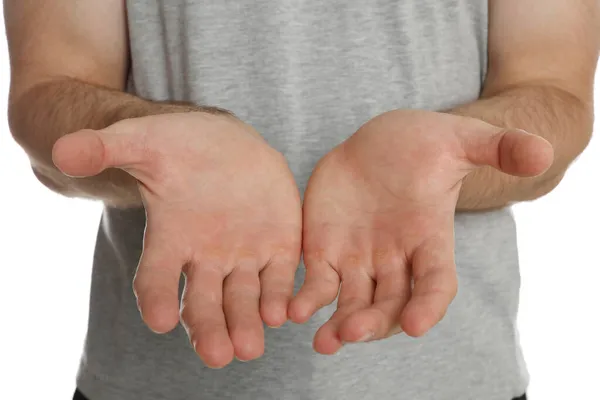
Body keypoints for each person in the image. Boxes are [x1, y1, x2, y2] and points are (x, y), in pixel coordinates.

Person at [4, 0, 598, 399]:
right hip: (152, 379)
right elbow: (51, 90)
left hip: (459, 378)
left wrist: (450, 160)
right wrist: (156, 145)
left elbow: (552, 93)